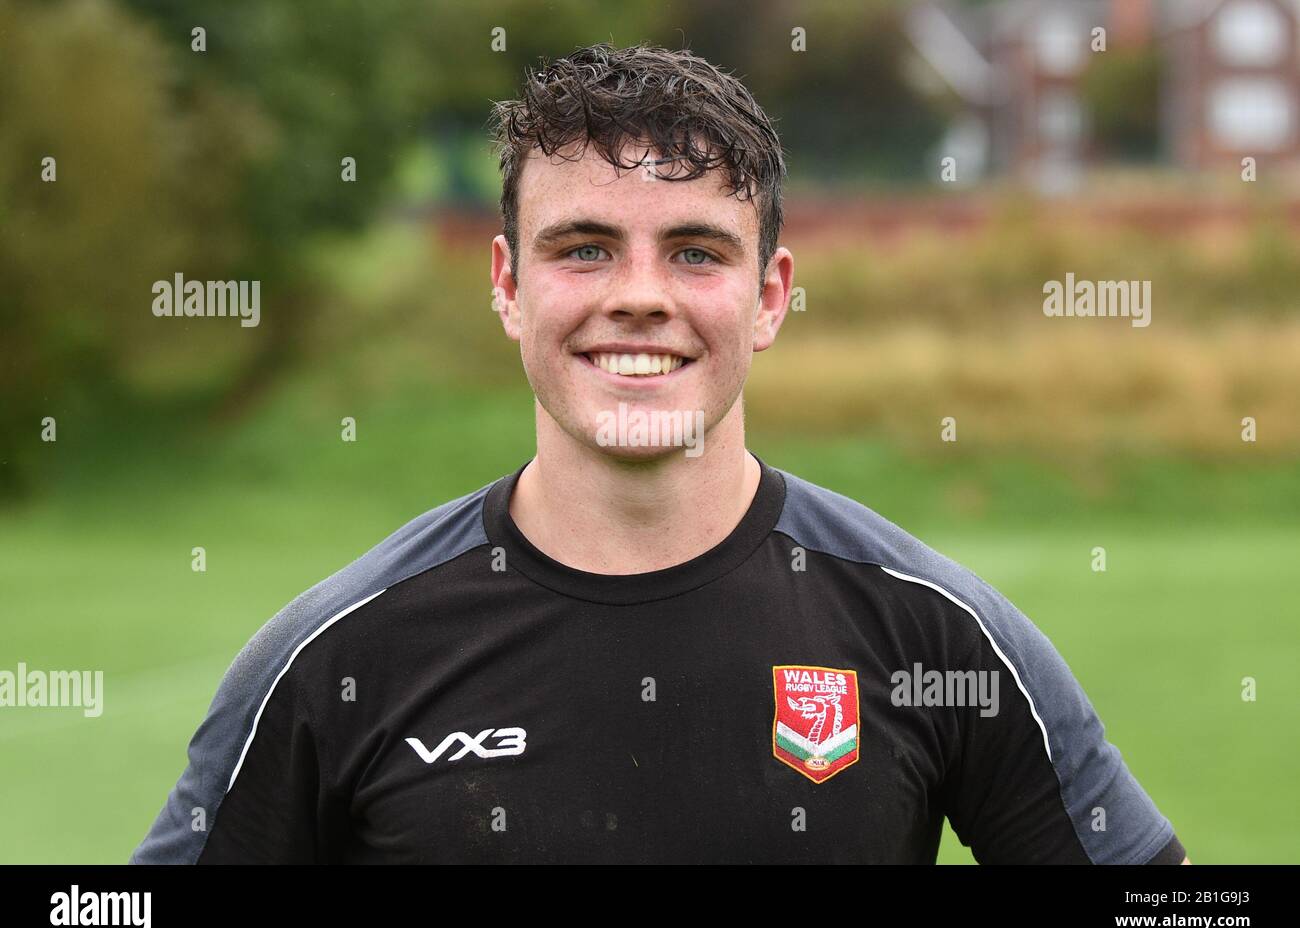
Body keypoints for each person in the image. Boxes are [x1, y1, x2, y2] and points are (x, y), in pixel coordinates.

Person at [131, 43, 1187, 864]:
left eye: (694, 251)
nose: (638, 295)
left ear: (768, 297)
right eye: (584, 247)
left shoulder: (938, 635)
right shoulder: (336, 659)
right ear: (506, 284)